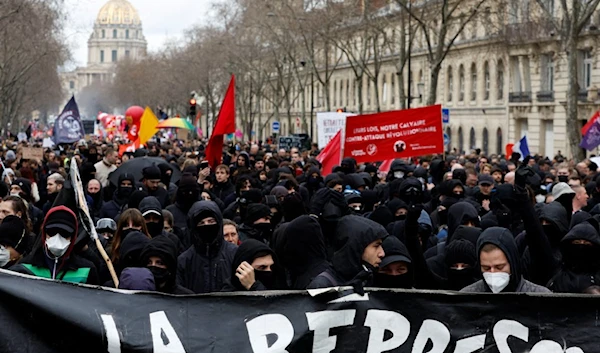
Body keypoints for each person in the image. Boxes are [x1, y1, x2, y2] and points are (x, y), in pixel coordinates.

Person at [9, 206, 99, 284]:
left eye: (64, 234)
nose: (57, 238)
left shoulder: (86, 270)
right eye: (52, 232)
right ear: (44, 234)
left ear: (73, 237)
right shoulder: (25, 266)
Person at [460, 227, 550, 293]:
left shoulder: (540, 297)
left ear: (513, 263)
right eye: (486, 268)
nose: (493, 273)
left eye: (499, 267)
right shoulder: (467, 298)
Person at [308, 215, 386, 289]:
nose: (382, 253)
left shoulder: (366, 277)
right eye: (376, 246)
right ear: (357, 247)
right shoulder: (322, 285)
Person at [176, 201, 237, 293]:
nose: (207, 226)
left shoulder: (234, 254)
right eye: (201, 223)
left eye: (211, 221)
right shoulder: (184, 260)